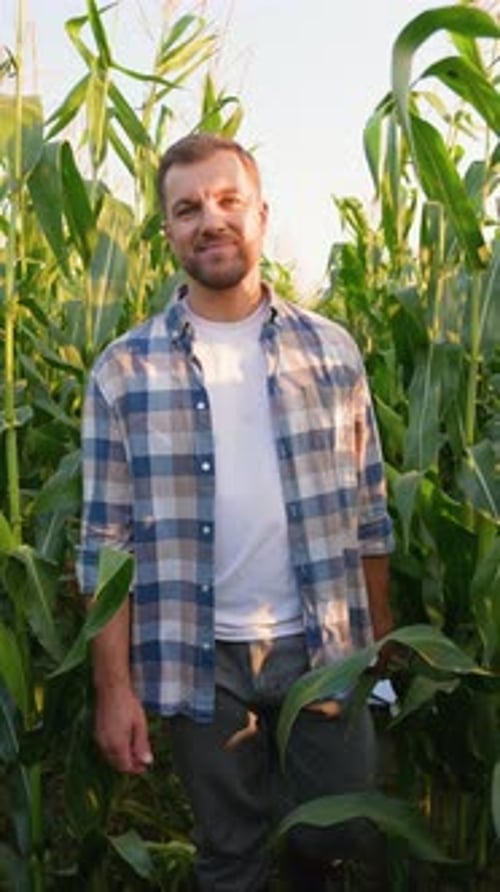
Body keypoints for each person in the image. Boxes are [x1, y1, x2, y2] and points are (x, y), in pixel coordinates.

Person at [78, 133, 394, 892]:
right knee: (229, 855)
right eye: (187, 209)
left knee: (337, 835)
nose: (209, 220)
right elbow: (104, 546)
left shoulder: (331, 352)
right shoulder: (124, 370)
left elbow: (369, 511)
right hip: (198, 654)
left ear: (261, 213)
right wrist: (113, 689)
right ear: (167, 233)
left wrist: (380, 645)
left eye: (227, 201)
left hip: (321, 641)